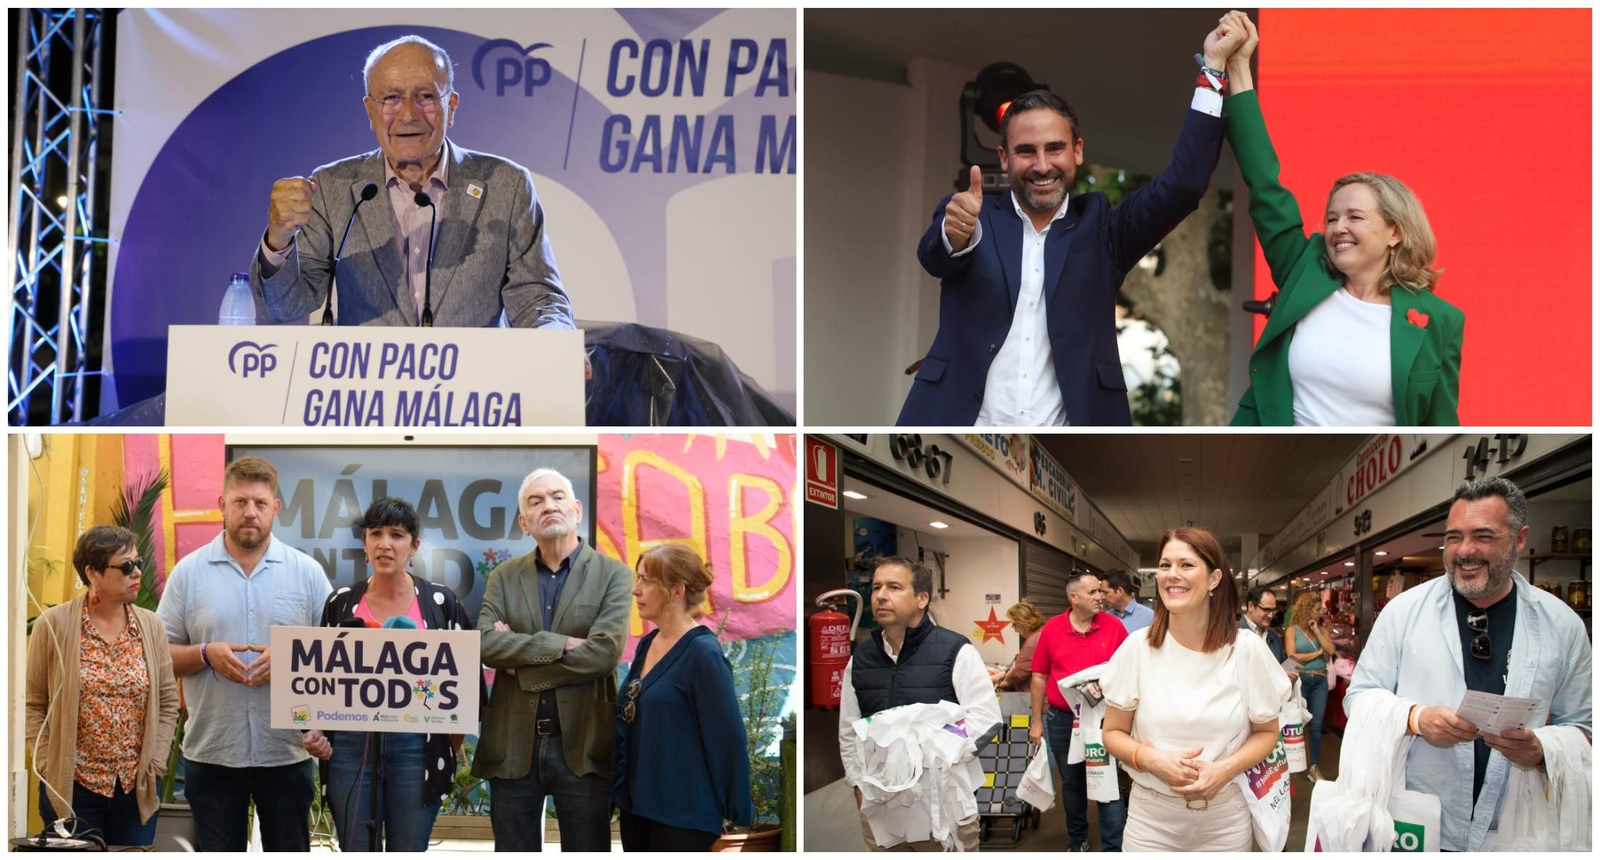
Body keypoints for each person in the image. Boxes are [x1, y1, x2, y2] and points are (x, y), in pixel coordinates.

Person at [895, 22, 1244, 427]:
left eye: (1055, 148)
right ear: (1005, 158)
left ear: (1077, 151)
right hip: (960, 429)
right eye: (1026, 151)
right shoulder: (974, 215)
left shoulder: (1105, 232)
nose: (1042, 165)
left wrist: (1214, 70)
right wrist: (954, 236)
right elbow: (935, 255)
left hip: (1068, 442)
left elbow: (1184, 184)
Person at [249, 35, 579, 344]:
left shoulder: (505, 186)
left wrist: (557, 345)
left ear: (451, 106)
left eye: (425, 96)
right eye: (391, 98)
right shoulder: (332, 187)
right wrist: (278, 239)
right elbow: (284, 309)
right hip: (365, 394)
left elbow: (537, 298)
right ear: (370, 111)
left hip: (472, 396)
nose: (408, 114)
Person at [1219, 11, 1463, 426]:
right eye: (1331, 218)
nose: (1337, 228)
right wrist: (1239, 67)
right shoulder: (1303, 273)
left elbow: (1440, 423)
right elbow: (1264, 184)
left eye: (1354, 216)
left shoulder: (1440, 320)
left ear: (1395, 232)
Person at [1345, 477, 1591, 851]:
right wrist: (1416, 719)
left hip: (1513, 829)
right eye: (1454, 536)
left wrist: (1542, 751)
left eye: (1484, 536)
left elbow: (1586, 726)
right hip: (1420, 825)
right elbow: (1359, 696)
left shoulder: (1562, 625)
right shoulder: (1403, 613)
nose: (1464, 551)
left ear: (1519, 539)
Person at [157, 456, 332, 851]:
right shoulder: (189, 573)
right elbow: (158, 656)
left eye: (260, 503)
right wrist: (204, 654)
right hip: (212, 752)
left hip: (286, 752)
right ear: (222, 504)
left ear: (276, 508)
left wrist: (291, 659)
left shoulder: (306, 573)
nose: (250, 513)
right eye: (240, 502)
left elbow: (335, 656)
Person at [301, 497, 475, 851]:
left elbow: (465, 684)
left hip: (419, 747)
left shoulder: (442, 603)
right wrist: (314, 730)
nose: (385, 543)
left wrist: (450, 743)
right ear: (364, 544)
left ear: (414, 546)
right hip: (350, 747)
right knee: (355, 848)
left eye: (396, 534)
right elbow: (321, 682)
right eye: (375, 533)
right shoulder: (341, 602)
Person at [1100, 527, 1289, 851]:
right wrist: (1150, 760)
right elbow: (1112, 732)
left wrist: (1224, 769)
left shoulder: (1245, 649)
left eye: (1186, 565)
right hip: (1151, 821)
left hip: (1225, 821)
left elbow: (1267, 732)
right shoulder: (1137, 649)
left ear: (1214, 578)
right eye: (1164, 565)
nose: (1172, 575)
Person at [474, 468, 633, 851]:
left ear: (577, 510)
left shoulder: (614, 575)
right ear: (524, 523)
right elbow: (483, 643)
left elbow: (603, 655)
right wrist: (563, 644)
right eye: (536, 501)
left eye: (557, 497)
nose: (548, 506)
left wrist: (520, 662)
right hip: (512, 743)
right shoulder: (503, 576)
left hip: (583, 742)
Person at [25, 526, 178, 847]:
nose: (136, 573)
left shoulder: (151, 626)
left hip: (134, 789)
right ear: (92, 573)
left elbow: (167, 701)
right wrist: (47, 763)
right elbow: (33, 703)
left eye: (139, 563)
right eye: (125, 567)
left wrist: (156, 763)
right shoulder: (53, 625)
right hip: (73, 788)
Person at [838, 556, 1002, 851]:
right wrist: (858, 784)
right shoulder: (860, 659)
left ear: (922, 598)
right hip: (881, 806)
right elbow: (850, 728)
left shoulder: (955, 650)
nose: (881, 596)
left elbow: (986, 719)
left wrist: (935, 758)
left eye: (894, 587)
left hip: (943, 805)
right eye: (876, 588)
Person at [612, 543, 754, 850]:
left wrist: (737, 808)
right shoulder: (648, 643)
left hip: (683, 817)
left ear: (676, 591)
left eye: (645, 581)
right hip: (638, 810)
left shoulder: (704, 654)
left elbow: (727, 739)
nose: (636, 590)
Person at [1029, 572, 1129, 851]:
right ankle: (1078, 840)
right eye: (1093, 592)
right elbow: (1039, 676)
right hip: (1062, 720)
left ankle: (1113, 847)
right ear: (1074, 598)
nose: (1101, 597)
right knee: (1072, 784)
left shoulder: (1113, 627)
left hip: (1103, 720)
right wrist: (1036, 722)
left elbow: (1129, 672)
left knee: (1108, 782)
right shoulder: (1052, 628)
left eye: (1101, 591)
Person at [1285, 590, 1335, 781]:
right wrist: (1316, 654)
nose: (1320, 612)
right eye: (1316, 609)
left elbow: (1330, 650)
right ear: (1307, 609)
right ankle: (1293, 761)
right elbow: (1292, 657)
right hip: (1300, 681)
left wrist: (1316, 631)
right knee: (1296, 722)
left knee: (1315, 725)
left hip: (1319, 681)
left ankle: (1314, 766)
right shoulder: (1292, 631)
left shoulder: (1321, 630)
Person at [995, 600, 1045, 691]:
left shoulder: (1033, 641)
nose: (1015, 630)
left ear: (1022, 624)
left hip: (1031, 694)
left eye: (1014, 625)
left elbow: (1020, 674)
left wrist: (1000, 682)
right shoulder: (1042, 633)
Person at [1238, 586, 1290, 668]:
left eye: (1273, 610)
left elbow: (1281, 665)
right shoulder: (1234, 634)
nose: (1271, 615)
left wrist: (1288, 674)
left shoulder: (1274, 637)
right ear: (1251, 606)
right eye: (1266, 610)